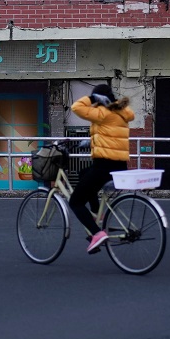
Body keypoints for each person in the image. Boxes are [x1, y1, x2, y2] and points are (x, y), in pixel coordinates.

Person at [69, 84, 134, 253]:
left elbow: (76, 107)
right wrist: (91, 142)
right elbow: (111, 135)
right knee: (84, 173)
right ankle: (98, 213)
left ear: (99, 99)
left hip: (104, 166)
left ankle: (97, 234)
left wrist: (90, 99)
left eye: (95, 99)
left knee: (75, 202)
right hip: (119, 166)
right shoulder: (121, 114)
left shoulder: (102, 113)